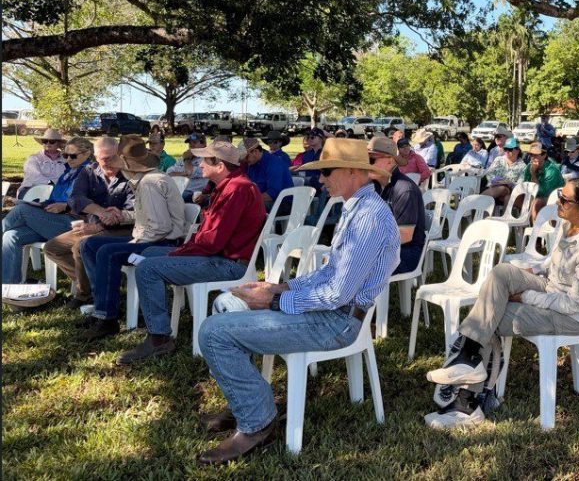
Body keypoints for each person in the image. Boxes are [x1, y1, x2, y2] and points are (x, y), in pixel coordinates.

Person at [193, 139, 399, 464]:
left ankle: (257, 423)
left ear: (351, 171)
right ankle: (249, 404)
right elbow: (328, 274)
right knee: (225, 303)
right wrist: (278, 288)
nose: (321, 179)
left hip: (338, 322)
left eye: (326, 171)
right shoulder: (355, 207)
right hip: (331, 312)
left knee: (213, 332)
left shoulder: (368, 217)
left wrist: (274, 302)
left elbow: (336, 294)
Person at [422, 178, 579, 428]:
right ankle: (469, 361)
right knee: (502, 274)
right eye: (559, 195)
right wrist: (531, 271)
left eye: (566, 200)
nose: (558, 202)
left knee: (492, 313)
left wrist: (526, 296)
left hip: (574, 317)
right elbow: (553, 266)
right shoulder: (571, 226)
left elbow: (576, 304)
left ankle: (467, 403)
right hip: (553, 291)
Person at [116, 140, 266, 365]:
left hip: (228, 263)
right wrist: (182, 250)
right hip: (218, 256)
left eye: (205, 160)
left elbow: (213, 242)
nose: (199, 164)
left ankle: (159, 337)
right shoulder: (229, 186)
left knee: (148, 268)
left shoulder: (237, 189)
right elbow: (210, 238)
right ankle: (155, 323)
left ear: (220, 165)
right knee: (150, 251)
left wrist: (180, 253)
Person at [78, 141, 188, 340]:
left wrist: (135, 243)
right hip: (155, 237)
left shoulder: (149, 183)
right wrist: (123, 215)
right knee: (89, 244)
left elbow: (160, 228)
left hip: (164, 244)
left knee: (107, 253)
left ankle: (107, 319)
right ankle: (102, 303)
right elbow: (148, 215)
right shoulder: (146, 179)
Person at [43, 136, 136, 308]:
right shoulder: (90, 171)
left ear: (119, 155)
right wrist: (100, 212)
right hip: (93, 226)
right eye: (102, 158)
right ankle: (97, 285)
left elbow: (132, 211)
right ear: (95, 156)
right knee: (52, 248)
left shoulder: (130, 175)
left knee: (80, 246)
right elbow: (75, 198)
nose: (107, 162)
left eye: (111, 158)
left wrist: (100, 224)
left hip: (124, 230)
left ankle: (84, 294)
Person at [2, 137, 93, 284]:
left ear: (87, 153)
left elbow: (89, 202)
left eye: (73, 156)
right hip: (54, 220)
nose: (68, 159)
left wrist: (65, 205)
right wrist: (43, 205)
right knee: (11, 236)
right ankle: (10, 288)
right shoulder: (68, 172)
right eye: (65, 155)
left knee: (21, 210)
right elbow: (55, 197)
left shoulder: (91, 173)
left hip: (74, 225)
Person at [364, 137, 426, 275]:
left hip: (406, 252)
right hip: (383, 248)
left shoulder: (404, 189)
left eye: (371, 160)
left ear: (390, 160)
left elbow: (404, 235)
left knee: (355, 265)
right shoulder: (372, 186)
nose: (366, 165)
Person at [240, 137, 293, 210]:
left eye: (246, 157)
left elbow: (272, 194)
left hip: (282, 203)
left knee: (247, 208)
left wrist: (248, 201)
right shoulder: (252, 163)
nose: (244, 160)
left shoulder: (274, 163)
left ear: (255, 152)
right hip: (266, 199)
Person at [17, 128, 66, 197]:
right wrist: (54, 187)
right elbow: (35, 178)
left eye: (52, 141)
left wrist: (65, 150)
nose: (48, 143)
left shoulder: (66, 160)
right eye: (45, 141)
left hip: (57, 192)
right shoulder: (33, 158)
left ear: (58, 143)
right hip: (31, 190)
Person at [481, 138, 526, 211]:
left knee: (503, 188)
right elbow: (489, 174)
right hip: (493, 187)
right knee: (501, 189)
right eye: (505, 149)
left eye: (510, 149)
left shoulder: (522, 166)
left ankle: (477, 201)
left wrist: (509, 183)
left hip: (510, 191)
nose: (507, 151)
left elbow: (519, 184)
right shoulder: (499, 160)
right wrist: (495, 180)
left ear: (517, 150)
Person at [523, 143, 565, 221]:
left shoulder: (552, 170)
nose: (532, 157)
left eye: (535, 155)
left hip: (554, 199)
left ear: (544, 155)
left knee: (536, 202)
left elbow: (543, 193)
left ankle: (535, 230)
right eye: (531, 154)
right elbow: (525, 185)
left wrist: (533, 174)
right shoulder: (529, 166)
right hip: (537, 196)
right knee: (515, 198)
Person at [168, 132, 210, 202]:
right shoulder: (184, 158)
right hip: (180, 191)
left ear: (203, 145)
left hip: (195, 195)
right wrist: (183, 174)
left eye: (194, 142)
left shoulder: (207, 159)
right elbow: (169, 173)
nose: (191, 145)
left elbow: (189, 171)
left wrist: (187, 160)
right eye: (189, 143)